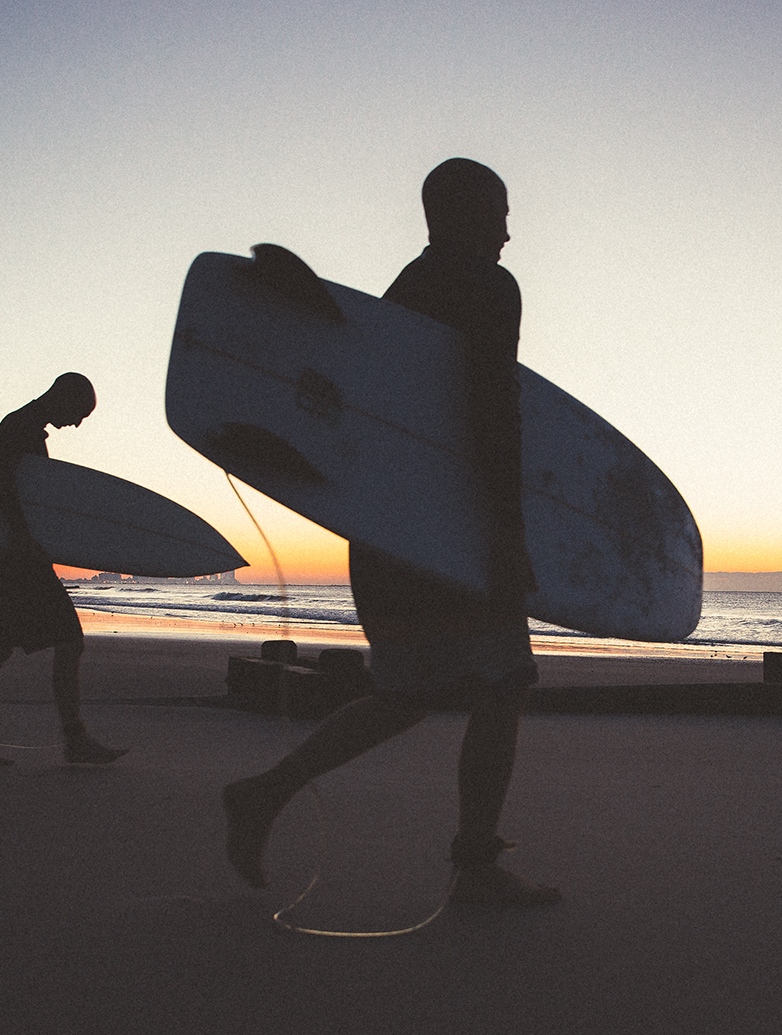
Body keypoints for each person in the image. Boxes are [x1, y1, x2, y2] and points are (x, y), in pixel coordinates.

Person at [222, 158, 557, 906]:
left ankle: (265, 792)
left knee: (407, 692)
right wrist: (505, 530)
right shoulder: (487, 286)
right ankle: (474, 869)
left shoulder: (404, 291)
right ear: (467, 214)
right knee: (504, 681)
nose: (509, 229)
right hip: (449, 531)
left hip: (385, 530)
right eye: (500, 211)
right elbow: (490, 410)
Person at [0, 373, 127, 767]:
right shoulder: (20, 427)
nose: (78, 424)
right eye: (80, 413)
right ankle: (74, 740)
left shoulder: (26, 427)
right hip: (18, 556)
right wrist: (24, 537)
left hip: (10, 552)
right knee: (69, 641)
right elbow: (0, 483)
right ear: (63, 397)